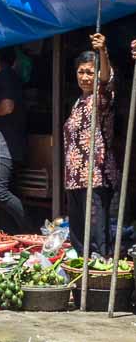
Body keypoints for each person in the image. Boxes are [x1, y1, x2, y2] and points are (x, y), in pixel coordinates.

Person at [63, 33, 117, 256]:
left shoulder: (101, 96)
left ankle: (98, 280)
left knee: (96, 236)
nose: (85, 77)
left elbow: (106, 78)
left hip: (96, 176)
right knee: (78, 235)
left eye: (89, 72)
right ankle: (81, 276)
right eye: (81, 71)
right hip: (74, 179)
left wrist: (102, 51)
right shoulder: (78, 102)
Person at [0, 47, 27, 233]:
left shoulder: (5, 76)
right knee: (8, 189)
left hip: (6, 144)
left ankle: (29, 228)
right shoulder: (12, 76)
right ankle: (12, 234)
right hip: (10, 142)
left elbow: (7, 107)